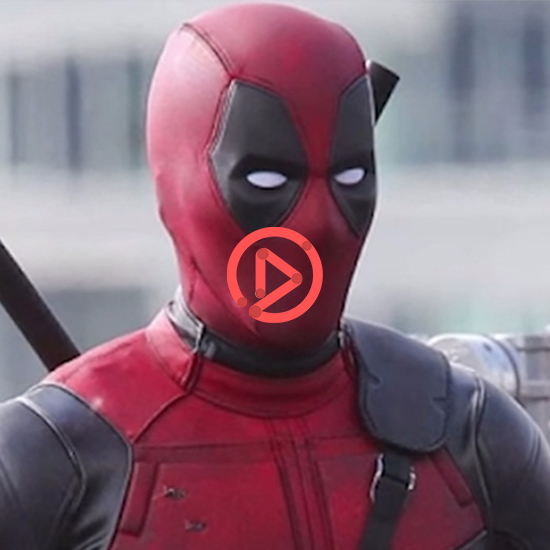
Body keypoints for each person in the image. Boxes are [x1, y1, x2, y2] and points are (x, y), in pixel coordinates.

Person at [0, 4, 549, 549]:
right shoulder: (51, 461)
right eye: (267, 179)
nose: (320, 222)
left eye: (350, 176)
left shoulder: (471, 436)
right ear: (179, 180)